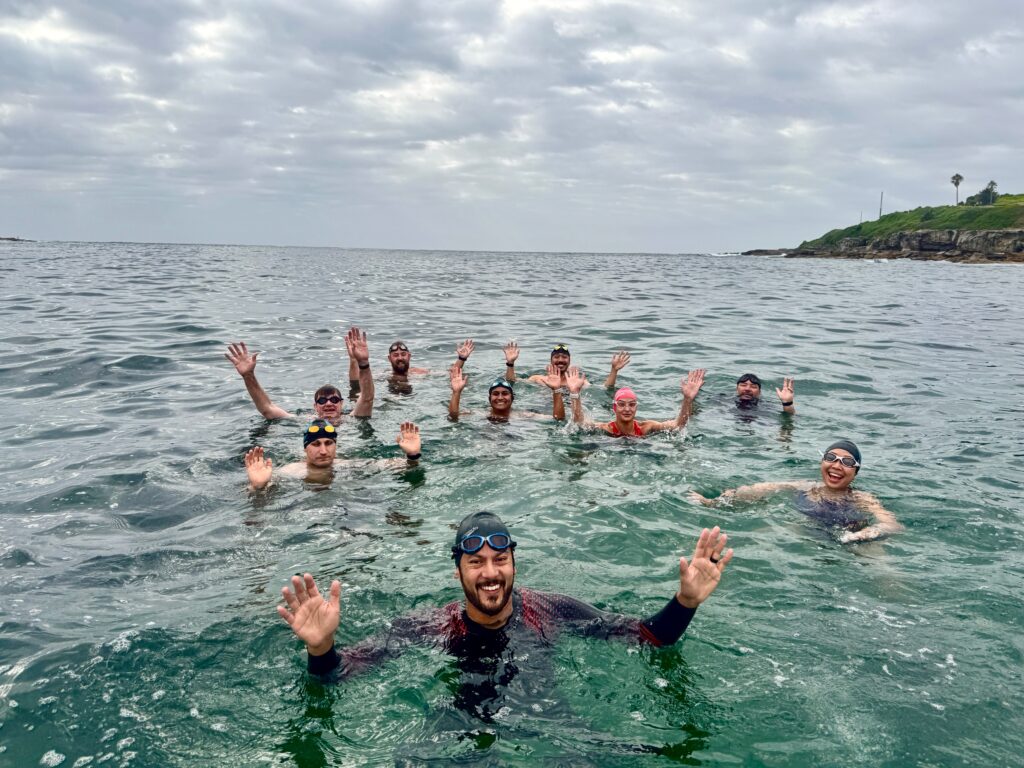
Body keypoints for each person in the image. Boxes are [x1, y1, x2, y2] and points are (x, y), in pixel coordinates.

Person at [277, 513, 733, 700]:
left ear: (514, 563)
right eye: (476, 563)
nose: (490, 573)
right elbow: (341, 675)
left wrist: (684, 603)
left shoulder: (553, 608)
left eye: (500, 560)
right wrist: (322, 649)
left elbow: (647, 639)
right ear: (458, 573)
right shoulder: (427, 626)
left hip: (548, 717)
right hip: (459, 722)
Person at [689, 439, 902, 543]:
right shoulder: (805, 487)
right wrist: (716, 501)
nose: (836, 466)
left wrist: (865, 534)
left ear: (855, 472)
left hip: (854, 540)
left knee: (885, 571)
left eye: (846, 462)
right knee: (759, 538)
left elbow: (891, 525)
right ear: (822, 463)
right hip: (807, 530)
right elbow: (761, 489)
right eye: (830, 458)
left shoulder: (861, 499)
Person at [225, 327, 375, 425]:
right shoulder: (305, 421)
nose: (329, 404)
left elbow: (367, 398)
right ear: (315, 407)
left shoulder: (352, 419)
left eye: (334, 400)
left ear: (342, 404)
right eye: (322, 400)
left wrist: (363, 362)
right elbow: (267, 409)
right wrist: (248, 376)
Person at [245, 419, 421, 488]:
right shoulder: (291, 472)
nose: (323, 450)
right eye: (316, 444)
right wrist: (257, 487)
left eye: (329, 443)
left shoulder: (348, 465)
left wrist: (412, 456)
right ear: (305, 448)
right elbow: (258, 500)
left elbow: (400, 466)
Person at [566, 366, 706, 436]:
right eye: (621, 404)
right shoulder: (606, 429)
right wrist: (574, 394)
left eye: (632, 405)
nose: (627, 409)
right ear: (614, 408)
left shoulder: (647, 427)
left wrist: (687, 399)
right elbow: (579, 423)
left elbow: (678, 425)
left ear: (636, 408)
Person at [447, 364, 563, 422]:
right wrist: (456, 392)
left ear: (512, 398)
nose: (500, 397)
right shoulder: (481, 413)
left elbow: (557, 419)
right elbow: (453, 417)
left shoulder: (523, 416)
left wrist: (556, 390)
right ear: (489, 399)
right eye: (496, 394)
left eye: (505, 393)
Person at [503, 343, 630, 389]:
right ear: (551, 360)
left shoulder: (577, 381)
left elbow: (605, 388)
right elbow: (511, 382)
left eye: (564, 357)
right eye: (556, 357)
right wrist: (510, 363)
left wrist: (614, 370)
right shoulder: (539, 379)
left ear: (569, 361)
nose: (560, 360)